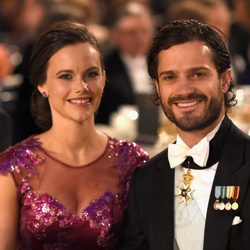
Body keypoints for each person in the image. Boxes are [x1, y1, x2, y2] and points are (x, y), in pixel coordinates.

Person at [0, 21, 148, 249]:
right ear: (42, 84)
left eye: (90, 74)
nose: (81, 87)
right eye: (65, 76)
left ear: (104, 78)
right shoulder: (14, 168)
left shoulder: (133, 162)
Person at [119, 19, 250, 250]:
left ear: (224, 80)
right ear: (158, 88)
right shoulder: (145, 179)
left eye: (197, 74)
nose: (184, 90)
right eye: (170, 77)